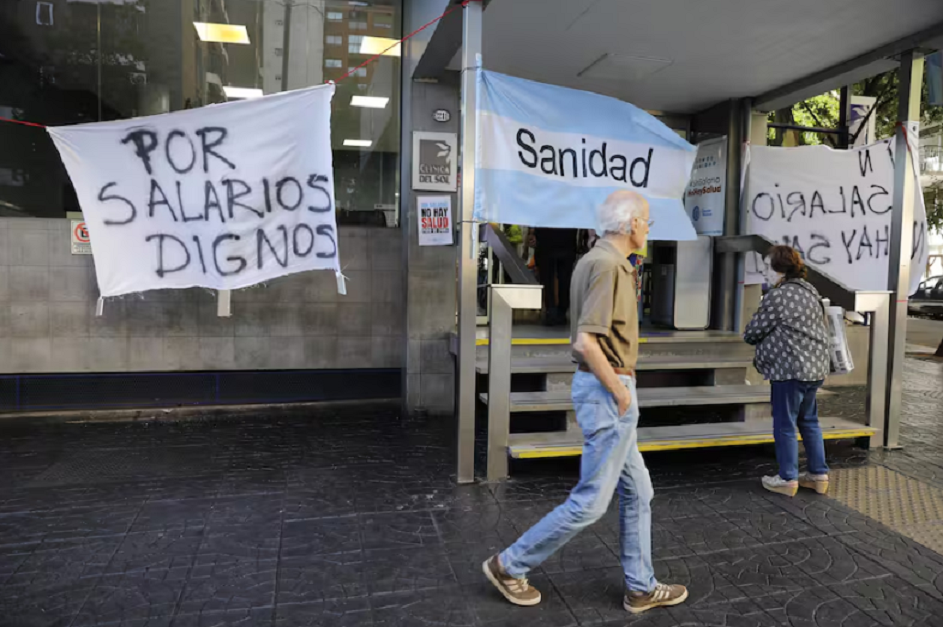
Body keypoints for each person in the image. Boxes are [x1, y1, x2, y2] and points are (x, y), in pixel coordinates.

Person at [483, 190, 688, 615]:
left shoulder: (596, 261)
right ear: (631, 225)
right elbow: (586, 341)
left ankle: (641, 587)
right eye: (646, 221)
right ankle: (509, 565)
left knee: (639, 492)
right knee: (591, 501)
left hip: (607, 390)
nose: (649, 228)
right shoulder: (608, 266)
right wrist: (619, 392)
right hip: (608, 392)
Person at [743, 245, 831, 497]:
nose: (764, 274)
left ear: (780, 270)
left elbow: (752, 333)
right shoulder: (810, 291)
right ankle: (817, 475)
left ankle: (788, 478)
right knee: (810, 421)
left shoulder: (778, 296)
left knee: (785, 424)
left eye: (766, 268)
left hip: (789, 369)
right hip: (815, 369)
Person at [531, 227, 578, 326]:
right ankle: (562, 311)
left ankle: (551, 311)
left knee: (547, 279)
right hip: (567, 240)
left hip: (545, 240)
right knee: (565, 279)